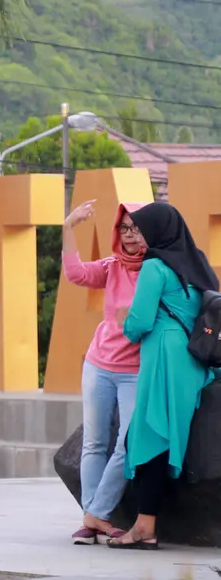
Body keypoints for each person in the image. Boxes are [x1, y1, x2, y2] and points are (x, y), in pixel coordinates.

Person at [108, 201, 216, 550]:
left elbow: (138, 323)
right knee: (164, 436)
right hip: (193, 361)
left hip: (164, 358)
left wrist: (125, 321)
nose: (136, 233)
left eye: (140, 228)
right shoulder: (195, 260)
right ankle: (145, 524)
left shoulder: (155, 267)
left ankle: (144, 527)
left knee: (147, 437)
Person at [60, 199, 149, 545]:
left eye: (137, 228)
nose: (129, 235)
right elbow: (76, 273)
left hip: (135, 371)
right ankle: (93, 518)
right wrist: (69, 227)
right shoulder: (113, 268)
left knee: (127, 445)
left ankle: (96, 514)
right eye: (124, 228)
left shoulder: (160, 271)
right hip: (98, 366)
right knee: (94, 443)